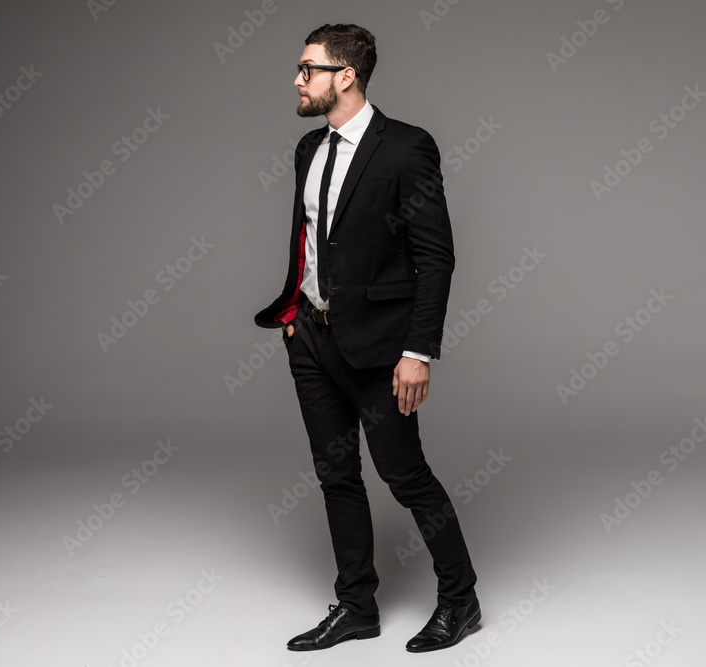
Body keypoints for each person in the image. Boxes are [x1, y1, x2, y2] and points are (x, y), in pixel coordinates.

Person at [253, 23, 480, 653]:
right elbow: (310, 239)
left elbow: (435, 258)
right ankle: (356, 606)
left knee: (404, 475)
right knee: (336, 476)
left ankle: (460, 600)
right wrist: (295, 316)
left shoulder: (407, 148)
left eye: (308, 69)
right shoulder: (308, 148)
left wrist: (417, 352)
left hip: (382, 348)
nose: (297, 80)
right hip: (311, 339)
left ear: (345, 75)